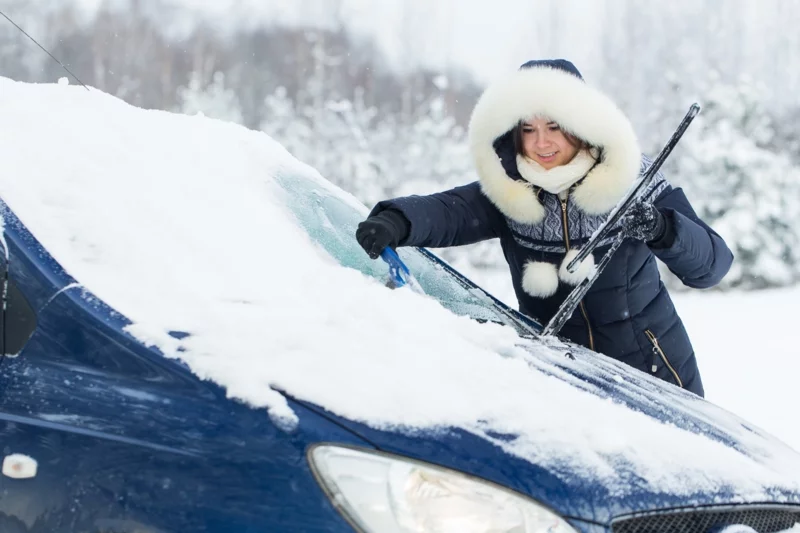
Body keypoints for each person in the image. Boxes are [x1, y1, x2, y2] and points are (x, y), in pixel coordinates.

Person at [355, 59, 733, 396]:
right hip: (565, 384)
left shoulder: (632, 178)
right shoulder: (509, 188)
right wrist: (396, 220)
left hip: (655, 376)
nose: (542, 142)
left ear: (581, 124)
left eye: (554, 125)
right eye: (528, 128)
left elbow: (712, 266)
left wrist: (662, 227)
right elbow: (449, 212)